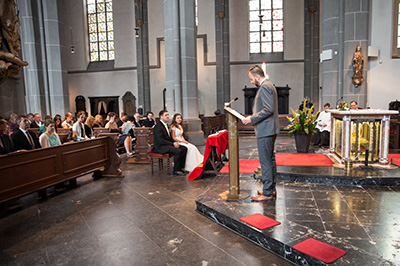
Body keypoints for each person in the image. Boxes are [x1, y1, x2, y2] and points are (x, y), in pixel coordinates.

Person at [242, 65, 279, 201]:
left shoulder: (265, 86)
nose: (251, 81)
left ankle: (267, 193)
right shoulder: (270, 85)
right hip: (269, 128)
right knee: (270, 160)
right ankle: (270, 188)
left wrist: (251, 118)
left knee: (265, 161)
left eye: (252, 79)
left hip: (265, 129)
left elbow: (268, 109)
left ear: (257, 77)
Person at [153, 110, 187, 176]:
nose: (168, 116)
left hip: (166, 145)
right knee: (177, 151)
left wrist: (175, 142)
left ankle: (180, 168)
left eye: (168, 115)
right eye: (166, 115)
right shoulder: (158, 127)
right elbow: (160, 141)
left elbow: (169, 137)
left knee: (184, 148)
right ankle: (176, 170)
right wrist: (172, 144)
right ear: (161, 116)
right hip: (160, 147)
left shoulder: (166, 125)